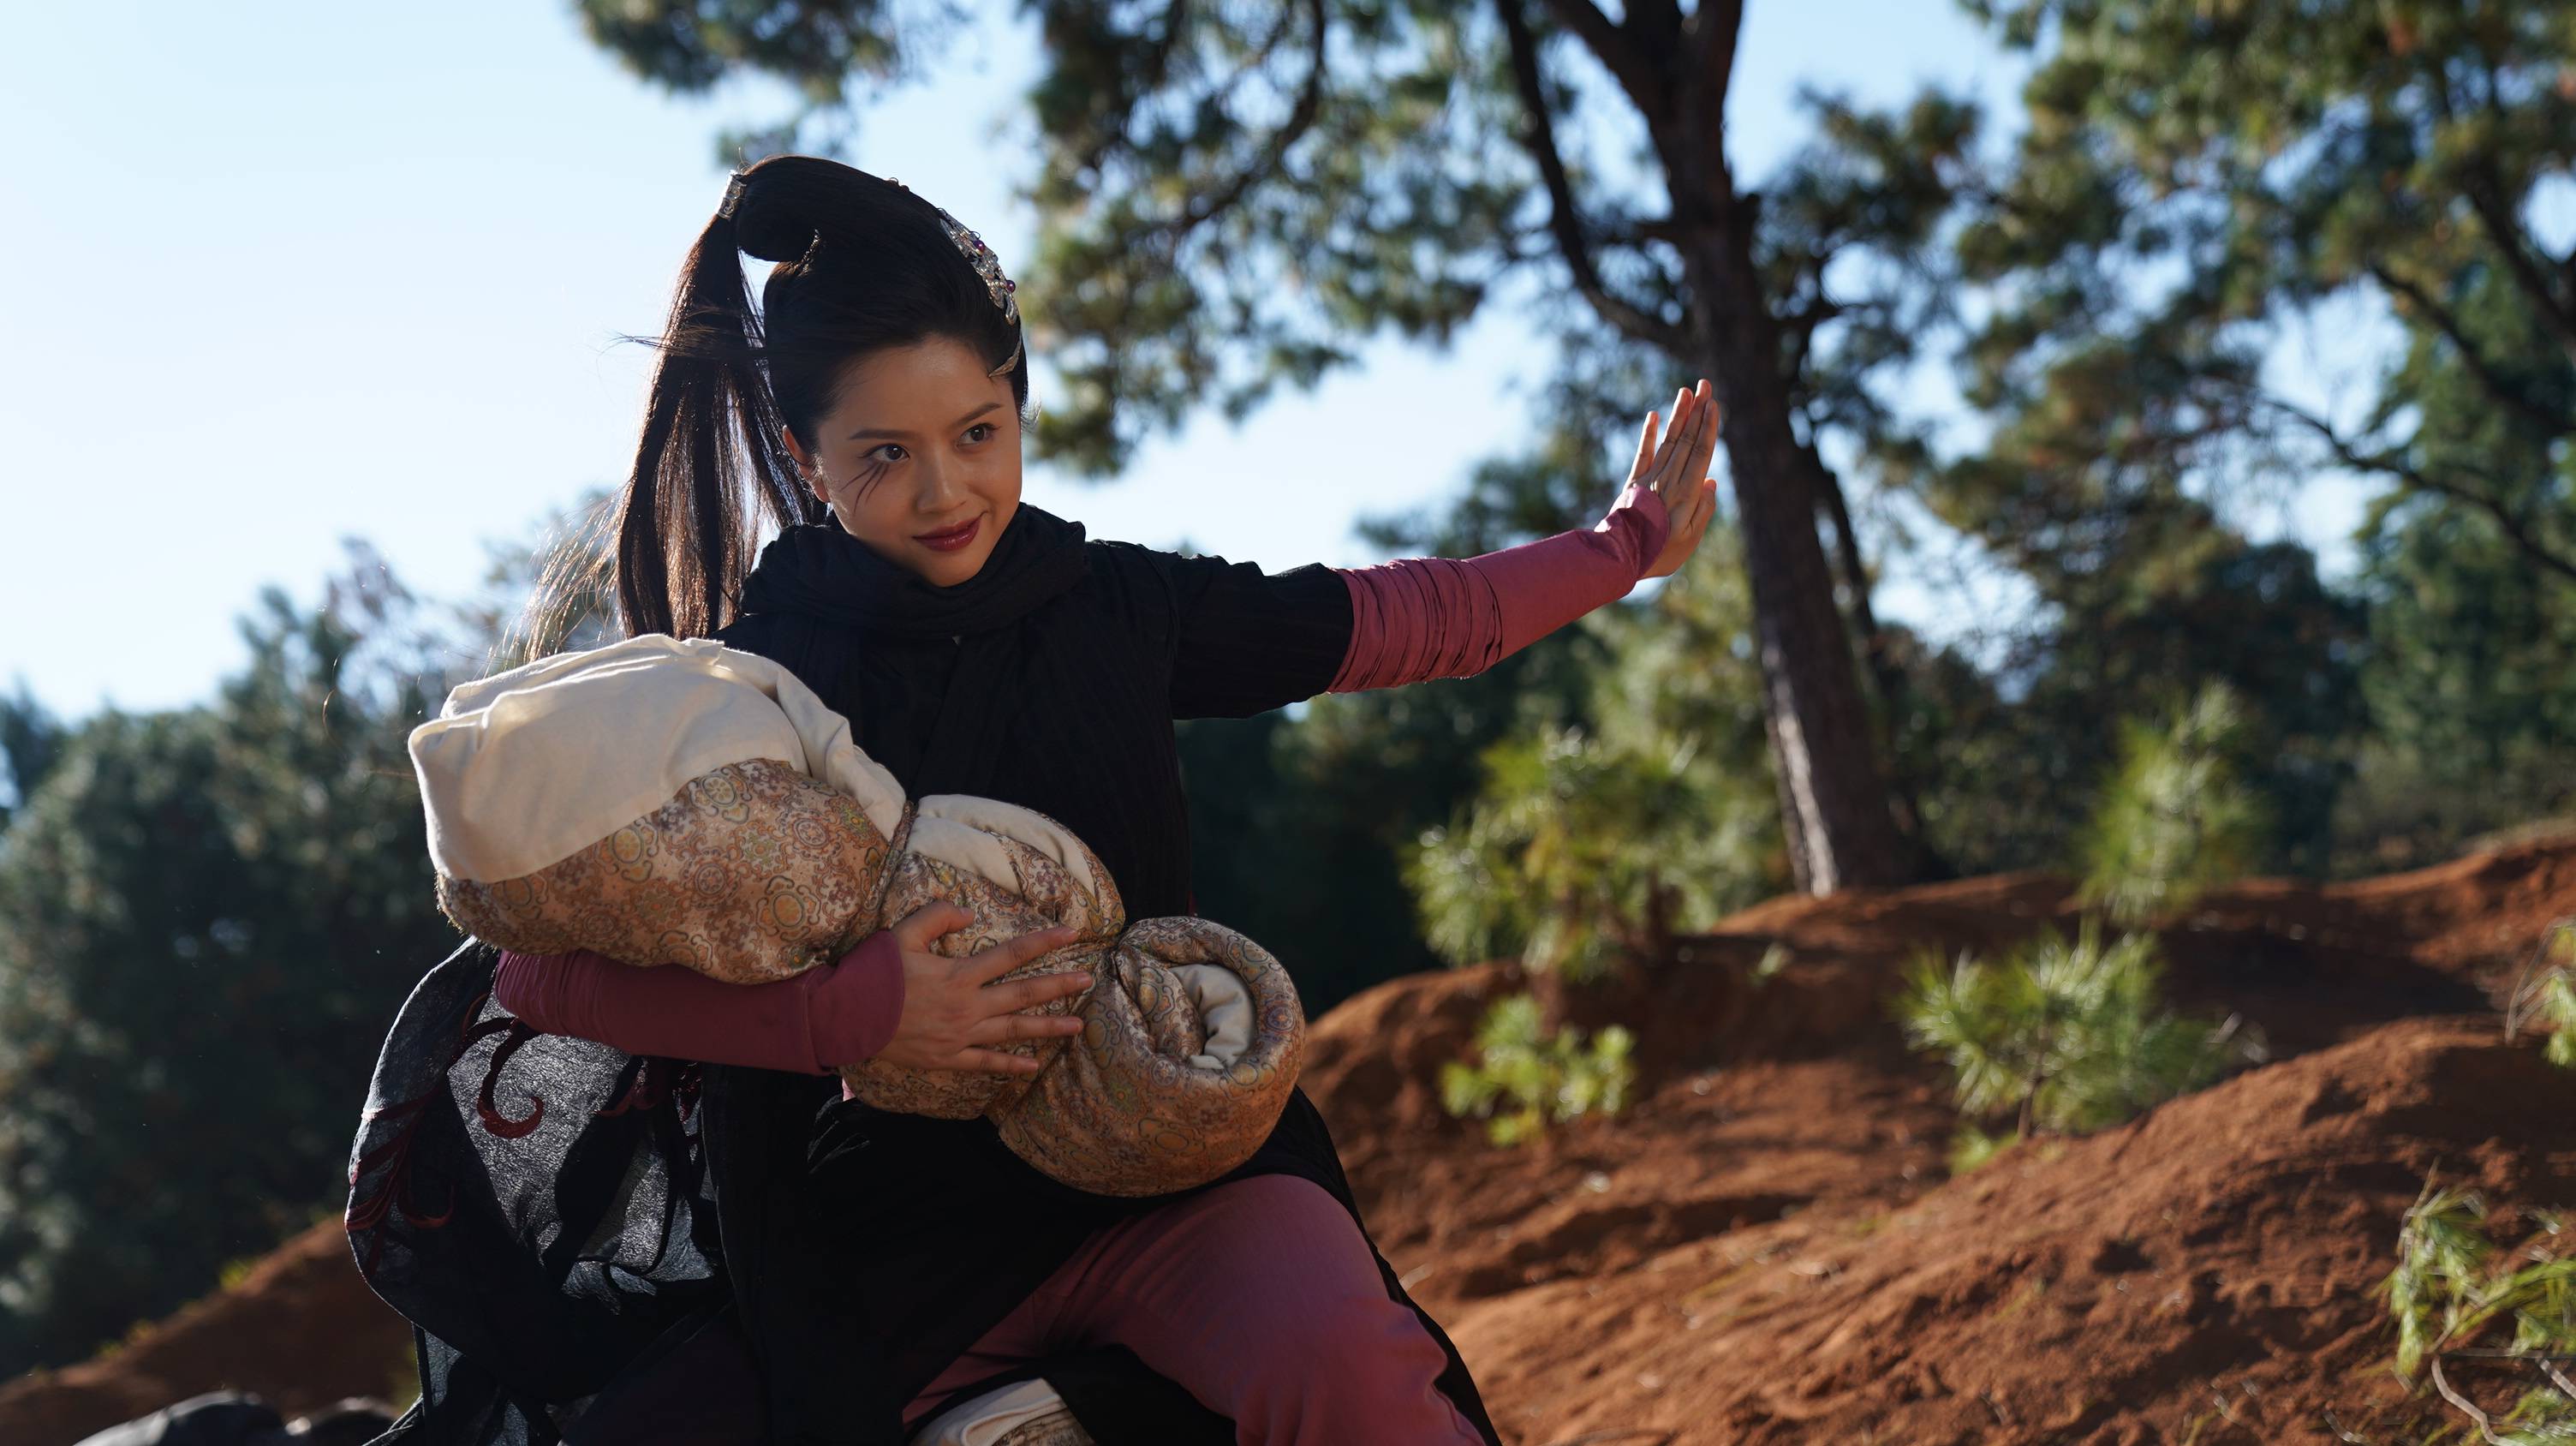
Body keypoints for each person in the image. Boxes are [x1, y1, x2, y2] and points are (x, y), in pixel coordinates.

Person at [346, 152, 1719, 1446]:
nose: (946, 489)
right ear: (801, 446)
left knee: (1351, 1366)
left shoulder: (1122, 605)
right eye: (883, 455)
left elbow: (1401, 619)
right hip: (878, 1252)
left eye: (978, 431)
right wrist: (843, 1017)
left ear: (1018, 398)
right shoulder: (750, 688)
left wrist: (1624, 547)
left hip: (1179, 1182)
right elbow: (534, 980)